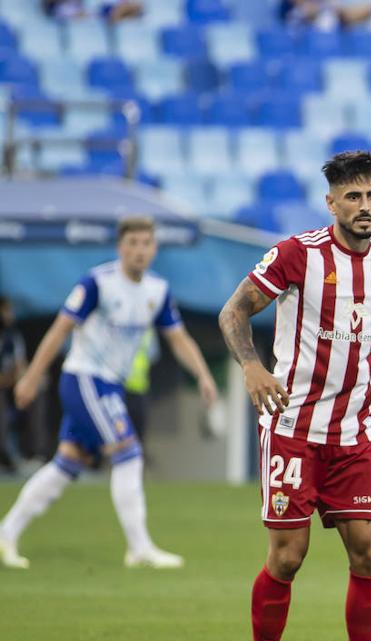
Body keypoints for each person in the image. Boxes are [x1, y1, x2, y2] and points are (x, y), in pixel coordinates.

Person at [217, 151, 371, 641]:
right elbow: (233, 312)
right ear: (332, 202)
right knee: (288, 557)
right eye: (353, 197)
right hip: (293, 428)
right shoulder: (298, 254)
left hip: (353, 435)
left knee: (369, 552)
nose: (365, 206)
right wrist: (251, 366)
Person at [0, 216, 217, 570]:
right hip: (85, 378)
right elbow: (59, 330)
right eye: (132, 243)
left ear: (154, 248)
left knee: (67, 463)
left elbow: (178, 339)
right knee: (128, 452)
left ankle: (6, 533)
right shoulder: (97, 283)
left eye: (146, 244)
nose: (139, 251)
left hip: (111, 384)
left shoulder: (157, 291)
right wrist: (31, 377)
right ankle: (139, 548)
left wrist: (204, 375)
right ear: (120, 247)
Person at [0, 297, 27, 472]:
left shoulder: (13, 336)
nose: (10, 315)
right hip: (4, 386)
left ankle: (33, 453)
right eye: (6, 310)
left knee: (36, 391)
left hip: (8, 385)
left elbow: (20, 366)